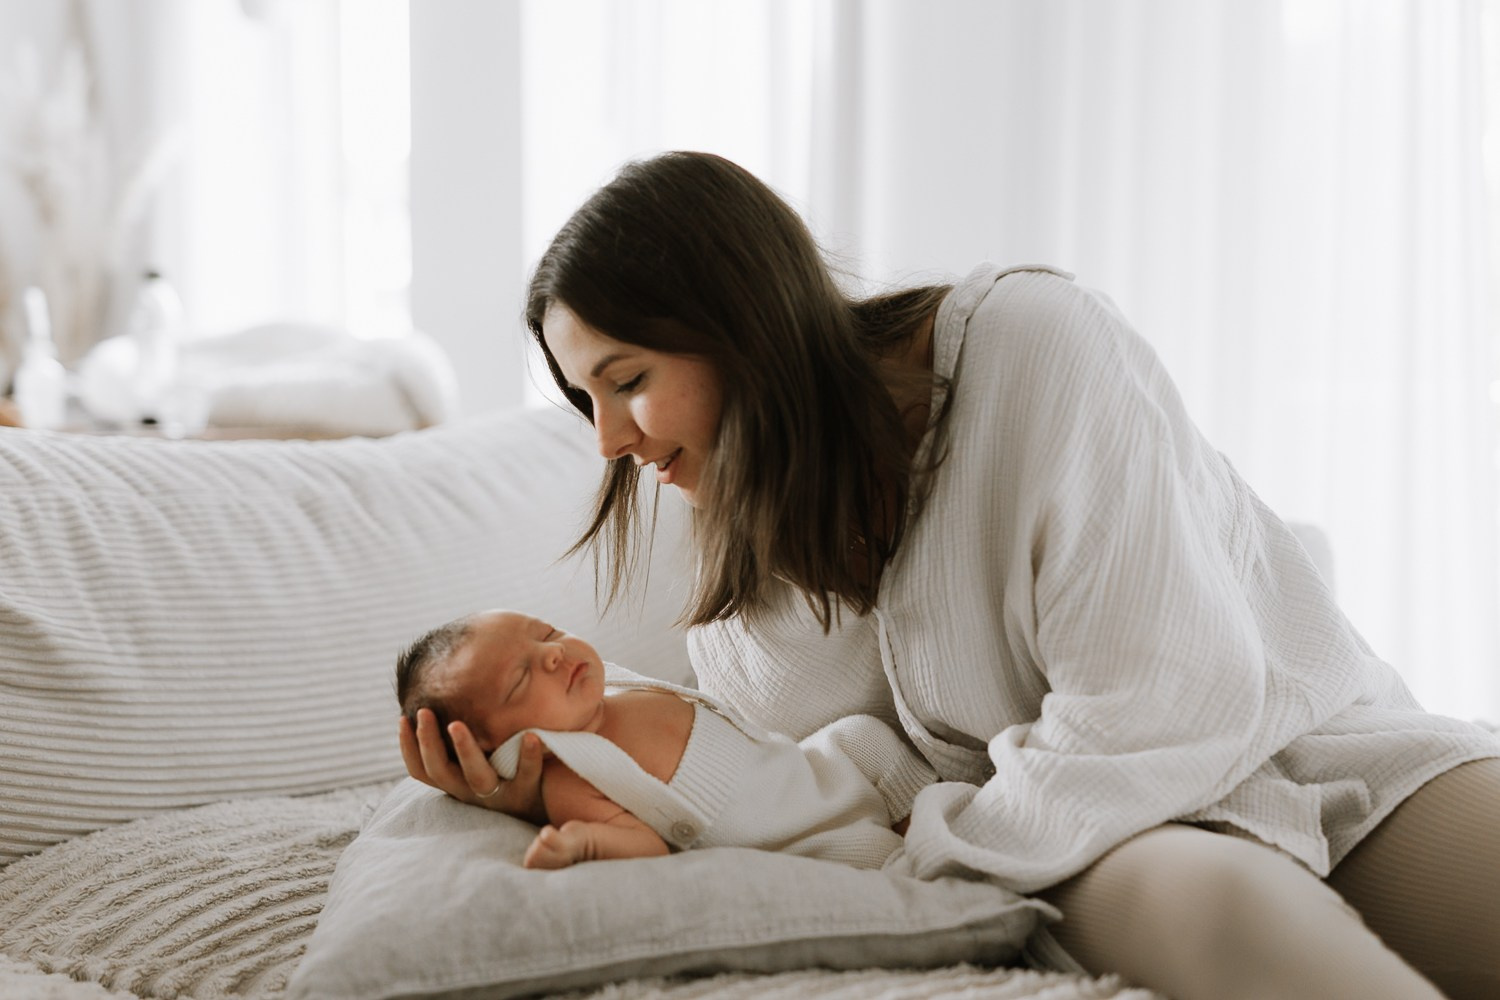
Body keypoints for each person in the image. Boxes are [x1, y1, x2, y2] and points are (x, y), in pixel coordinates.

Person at [401, 151, 1500, 999]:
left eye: (625, 380)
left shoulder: (1032, 345)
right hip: (1100, 844)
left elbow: (1169, 690)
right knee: (1227, 910)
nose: (607, 443)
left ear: (740, 322)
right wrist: (559, 771)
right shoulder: (740, 602)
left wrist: (932, 850)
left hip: (1322, 755)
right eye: (583, 401)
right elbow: (796, 799)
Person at [396, 608, 930, 870]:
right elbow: (645, 844)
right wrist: (584, 842)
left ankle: (924, 809)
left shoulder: (614, 690)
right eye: (520, 679)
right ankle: (928, 845)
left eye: (546, 633)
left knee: (864, 736)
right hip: (796, 834)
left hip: (805, 770)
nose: (554, 654)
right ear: (501, 749)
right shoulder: (574, 776)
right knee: (881, 858)